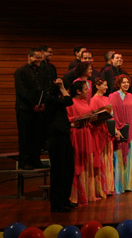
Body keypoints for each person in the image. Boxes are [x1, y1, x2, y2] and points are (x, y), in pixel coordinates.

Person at [14, 48, 46, 170]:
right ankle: (25, 161)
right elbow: (22, 91)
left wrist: (43, 103)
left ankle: (36, 160)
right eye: (37, 57)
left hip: (38, 108)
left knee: (37, 136)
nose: (39, 60)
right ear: (29, 57)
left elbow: (43, 89)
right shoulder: (20, 72)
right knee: (25, 135)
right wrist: (33, 105)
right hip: (25, 109)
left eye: (40, 58)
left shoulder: (40, 72)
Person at [46, 78, 74, 212]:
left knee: (68, 168)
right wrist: (62, 88)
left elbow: (62, 119)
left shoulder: (57, 102)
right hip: (56, 137)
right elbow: (69, 101)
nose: (66, 92)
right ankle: (57, 203)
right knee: (58, 170)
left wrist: (73, 124)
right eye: (64, 89)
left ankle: (65, 198)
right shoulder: (51, 99)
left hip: (64, 134)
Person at [108, 74, 132, 194]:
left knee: (131, 159)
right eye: (123, 82)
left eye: (127, 82)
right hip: (120, 132)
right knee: (119, 159)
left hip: (131, 131)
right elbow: (113, 114)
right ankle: (119, 186)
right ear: (118, 84)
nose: (126, 84)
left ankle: (130, 185)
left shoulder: (131, 96)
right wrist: (116, 129)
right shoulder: (113, 96)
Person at [67, 81, 95, 205]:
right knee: (77, 163)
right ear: (78, 91)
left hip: (86, 133)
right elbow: (66, 119)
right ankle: (75, 195)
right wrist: (79, 119)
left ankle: (87, 194)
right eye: (85, 89)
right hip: (77, 135)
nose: (88, 91)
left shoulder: (85, 102)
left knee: (87, 161)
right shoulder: (70, 103)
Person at [89, 78, 115, 197]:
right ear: (98, 86)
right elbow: (94, 116)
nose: (106, 87)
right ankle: (101, 188)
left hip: (107, 130)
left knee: (108, 159)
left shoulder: (106, 98)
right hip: (99, 131)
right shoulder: (94, 99)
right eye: (104, 85)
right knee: (102, 159)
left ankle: (109, 187)